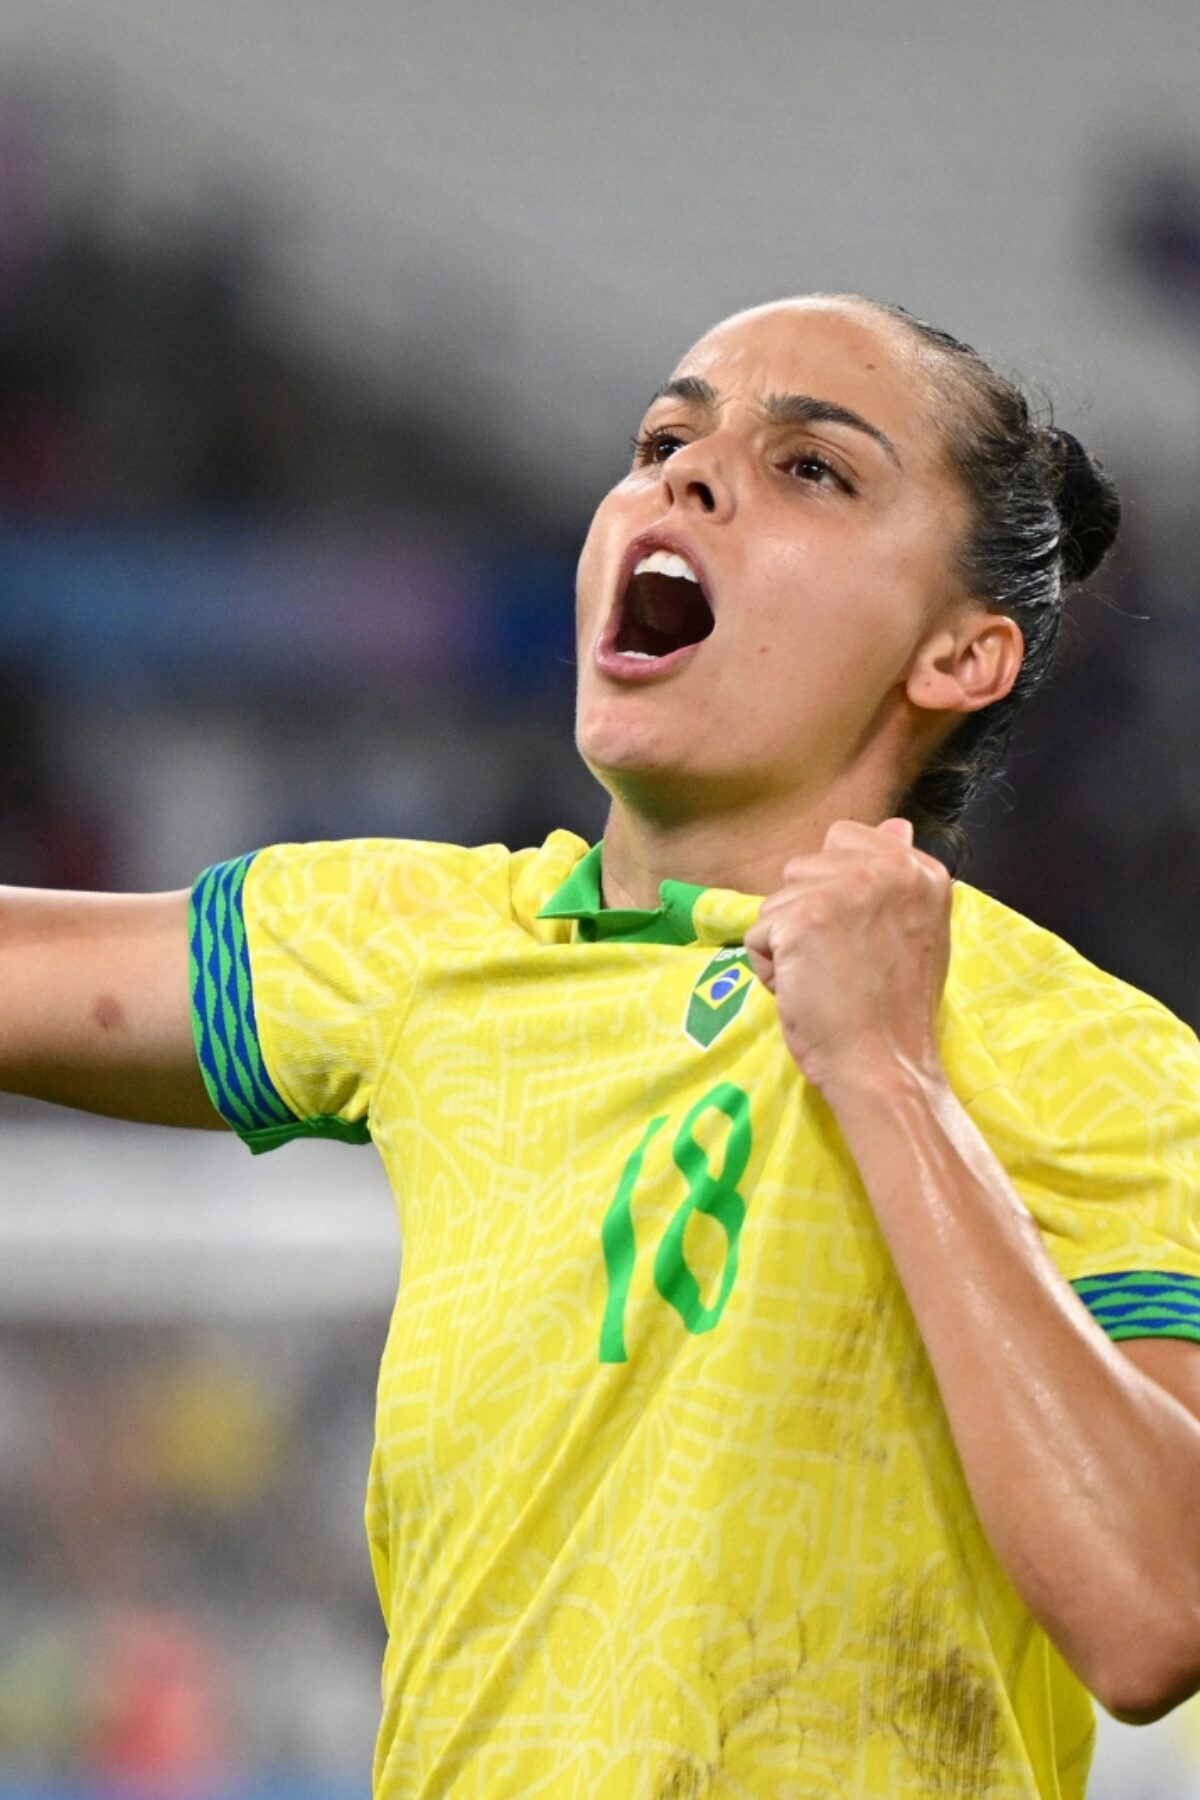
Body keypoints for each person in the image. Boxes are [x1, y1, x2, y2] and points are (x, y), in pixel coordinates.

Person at [2, 293, 1199, 1799]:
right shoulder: (420, 943)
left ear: (963, 654)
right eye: (664, 439)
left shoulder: (1083, 1054)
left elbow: (1155, 1608)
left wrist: (886, 1072)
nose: (685, 478)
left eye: (813, 467)